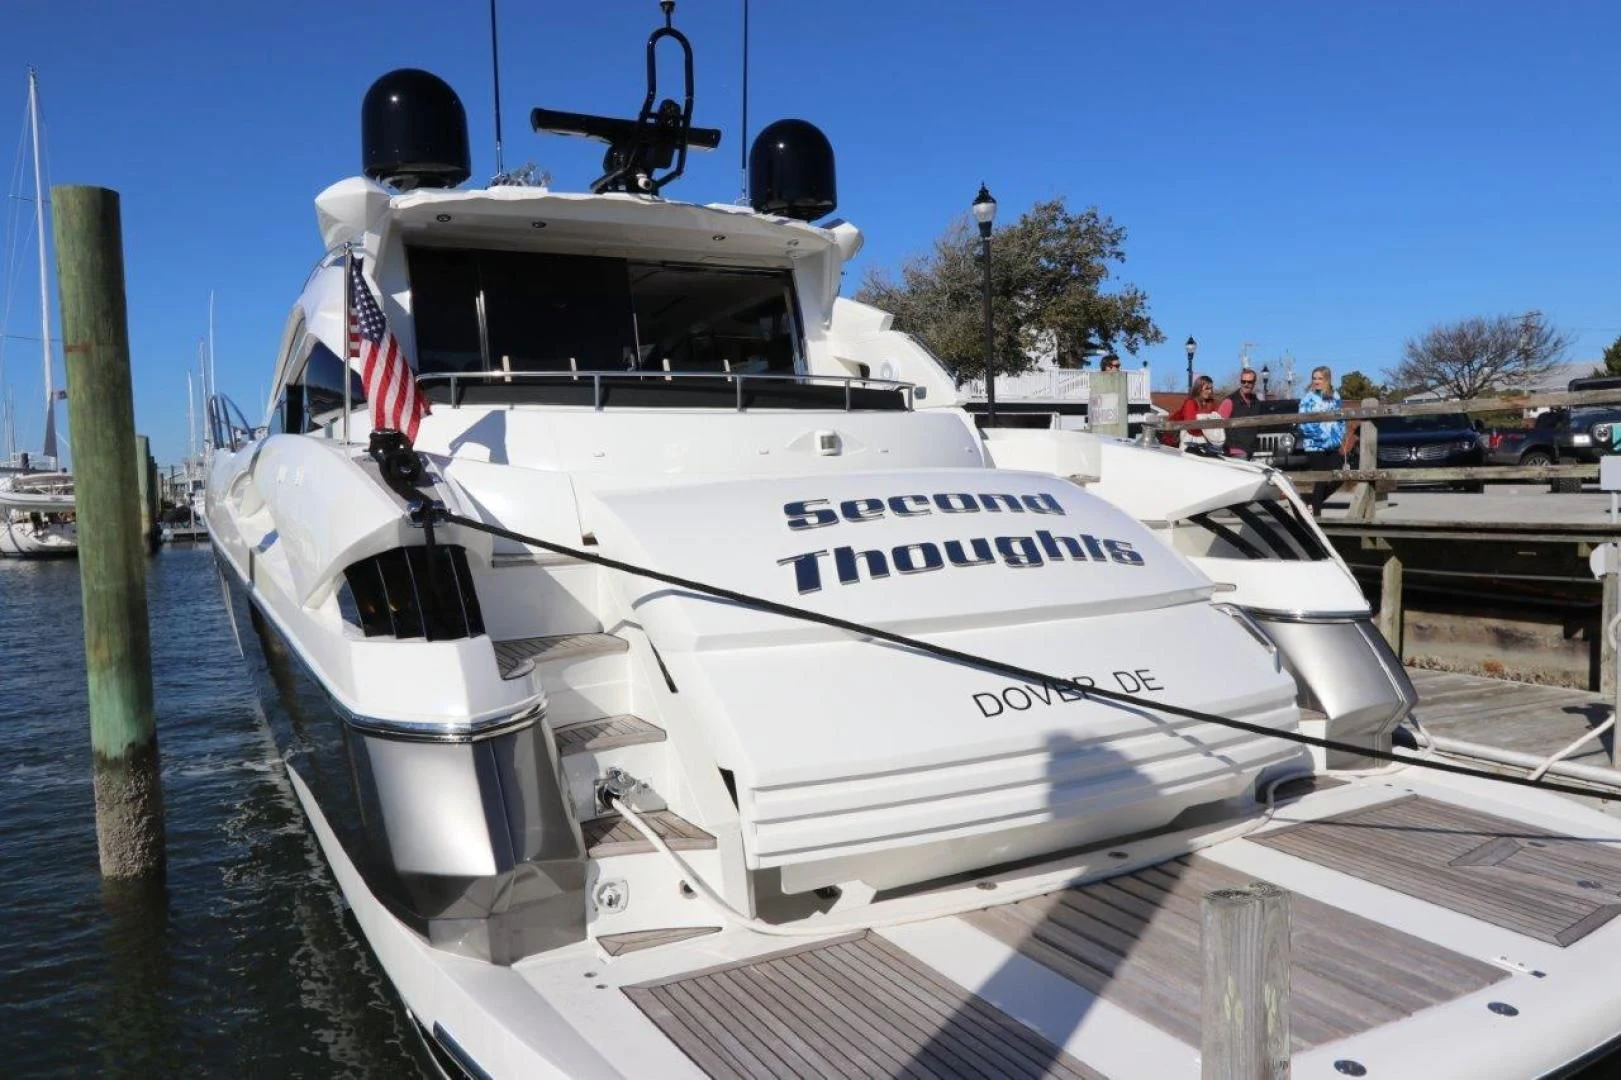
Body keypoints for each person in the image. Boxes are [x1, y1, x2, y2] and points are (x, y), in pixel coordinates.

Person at [1299, 364, 1357, 516]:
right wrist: (1318, 436)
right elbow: (1303, 422)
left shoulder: (1335, 396)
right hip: (1314, 445)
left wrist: (1338, 437)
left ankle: (1312, 503)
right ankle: (1316, 513)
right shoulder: (1308, 398)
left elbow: (1340, 419)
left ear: (1327, 379)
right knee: (1321, 476)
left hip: (1332, 444)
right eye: (1314, 378)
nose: (1316, 381)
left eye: (1320, 378)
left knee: (1340, 474)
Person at [1162, 375, 1224, 451]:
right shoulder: (1190, 402)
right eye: (1207, 388)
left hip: (1204, 438)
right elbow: (1191, 427)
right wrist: (1209, 429)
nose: (1210, 391)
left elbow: (1216, 419)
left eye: (1211, 388)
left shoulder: (1211, 403)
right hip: (1186, 437)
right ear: (1198, 389)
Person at [1218, 369, 1262, 458]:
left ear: (1254, 383)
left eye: (1249, 382)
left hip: (1252, 450)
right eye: (1243, 381)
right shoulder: (1229, 401)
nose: (1246, 384)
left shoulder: (1256, 402)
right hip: (1234, 451)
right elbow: (1218, 426)